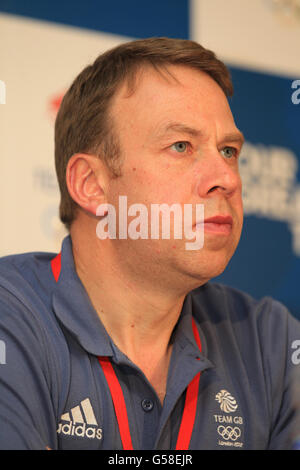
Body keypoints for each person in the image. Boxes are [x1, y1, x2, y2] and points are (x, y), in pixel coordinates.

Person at [0, 37, 299, 450]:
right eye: (181, 146)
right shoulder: (9, 318)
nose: (227, 178)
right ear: (91, 185)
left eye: (229, 150)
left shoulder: (271, 342)